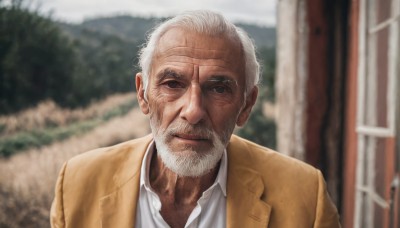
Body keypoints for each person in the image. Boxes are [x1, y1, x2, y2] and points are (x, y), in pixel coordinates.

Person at [50, 10, 340, 228]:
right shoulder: (77, 185)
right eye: (173, 84)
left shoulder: (305, 198)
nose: (193, 110)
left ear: (246, 105)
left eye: (219, 88)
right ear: (143, 95)